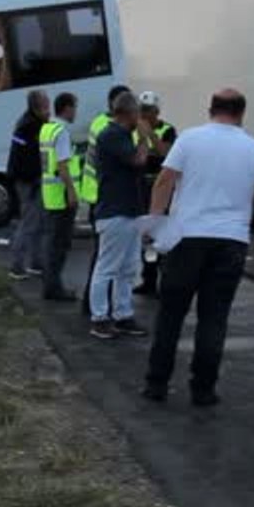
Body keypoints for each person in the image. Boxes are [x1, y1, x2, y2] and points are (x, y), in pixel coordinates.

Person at [143, 89, 254, 407]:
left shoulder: (189, 139)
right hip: (231, 241)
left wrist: (153, 224)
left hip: (186, 237)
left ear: (210, 110)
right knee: (213, 317)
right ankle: (203, 389)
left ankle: (156, 384)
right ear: (242, 113)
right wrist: (242, 193)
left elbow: (165, 180)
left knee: (171, 314)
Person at [87, 92, 157, 339]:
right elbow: (138, 160)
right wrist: (144, 137)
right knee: (107, 267)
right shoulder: (112, 135)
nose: (141, 117)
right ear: (128, 113)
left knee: (127, 268)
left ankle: (123, 315)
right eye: (138, 112)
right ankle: (99, 318)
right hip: (115, 211)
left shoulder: (122, 135)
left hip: (127, 210)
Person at [79, 84, 133, 316]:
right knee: (106, 262)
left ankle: (110, 309)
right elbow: (134, 160)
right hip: (105, 197)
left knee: (112, 262)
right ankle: (97, 310)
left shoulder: (99, 123)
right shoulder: (109, 130)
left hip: (100, 194)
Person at [135, 91, 178, 297]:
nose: (143, 115)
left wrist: (149, 134)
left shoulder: (168, 130)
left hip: (162, 188)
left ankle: (166, 280)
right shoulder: (134, 129)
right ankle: (148, 279)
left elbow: (165, 153)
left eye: (148, 111)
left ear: (157, 111)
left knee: (163, 235)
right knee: (147, 236)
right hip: (142, 187)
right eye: (141, 111)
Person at [39, 92, 81, 302]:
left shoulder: (47, 128)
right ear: (67, 108)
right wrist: (72, 193)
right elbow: (63, 165)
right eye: (75, 107)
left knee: (51, 242)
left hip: (50, 195)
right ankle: (54, 288)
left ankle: (50, 284)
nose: (76, 112)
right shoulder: (62, 132)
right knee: (60, 244)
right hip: (62, 196)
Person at [7, 89, 50, 280]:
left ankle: (36, 262)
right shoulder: (32, 127)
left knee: (38, 222)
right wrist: (34, 180)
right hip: (29, 181)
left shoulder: (25, 123)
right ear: (38, 107)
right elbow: (31, 158)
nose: (49, 109)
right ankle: (17, 266)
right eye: (46, 106)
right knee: (29, 223)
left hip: (25, 179)